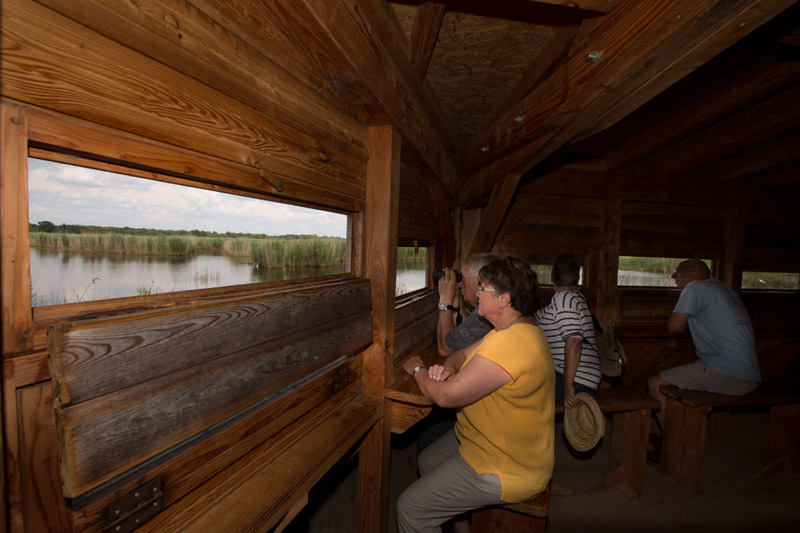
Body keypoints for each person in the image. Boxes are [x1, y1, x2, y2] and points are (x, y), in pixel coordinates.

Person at [397, 258, 555, 533]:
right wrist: (444, 370)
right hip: (486, 442)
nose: (476, 293)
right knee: (428, 460)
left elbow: (445, 398)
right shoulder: (511, 329)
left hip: (508, 468)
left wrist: (419, 370)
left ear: (503, 299)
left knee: (411, 509)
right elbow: (458, 354)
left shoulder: (514, 345)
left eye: (483, 288)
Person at [647, 259, 761, 428]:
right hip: (751, 374)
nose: (673, 276)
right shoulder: (726, 290)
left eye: (678, 272)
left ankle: (672, 439)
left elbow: (673, 326)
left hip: (728, 372)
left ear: (696, 271)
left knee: (654, 383)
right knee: (683, 380)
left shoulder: (695, 287)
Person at [535, 255, 602, 409]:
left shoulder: (563, 299)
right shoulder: (574, 298)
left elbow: (574, 341)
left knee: (518, 392)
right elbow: (540, 317)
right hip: (582, 376)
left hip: (577, 379)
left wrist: (568, 384)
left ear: (552, 277)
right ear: (577, 278)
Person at [436, 253, 500, 357]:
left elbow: (446, 350)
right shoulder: (491, 303)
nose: (460, 283)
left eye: (462, 278)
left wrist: (444, 300)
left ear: (479, 281)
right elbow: (466, 331)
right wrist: (455, 298)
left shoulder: (489, 312)